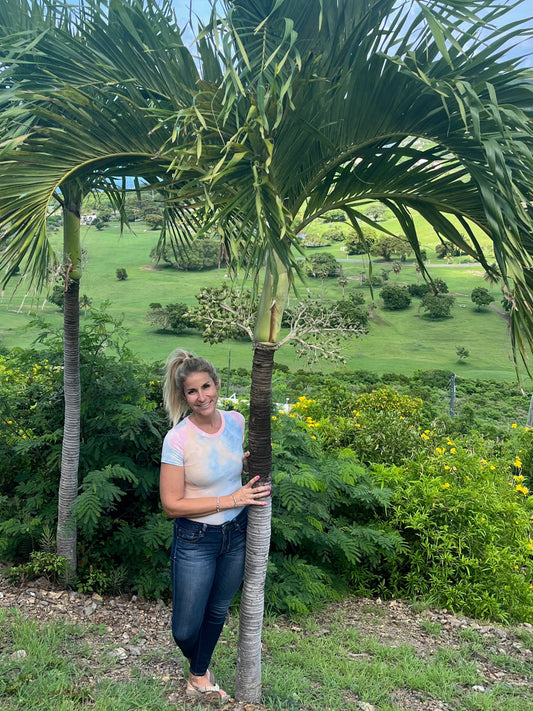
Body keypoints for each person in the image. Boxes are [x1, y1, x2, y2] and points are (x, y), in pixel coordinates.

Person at [160, 349, 270, 702]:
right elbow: (171, 505)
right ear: (183, 396)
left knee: (219, 609)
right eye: (192, 392)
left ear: (216, 385)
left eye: (206, 387)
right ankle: (201, 668)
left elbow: (222, 468)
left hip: (236, 533)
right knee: (185, 627)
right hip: (195, 539)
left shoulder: (236, 421)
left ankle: (198, 675)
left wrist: (240, 463)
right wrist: (232, 499)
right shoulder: (177, 439)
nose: (201, 397)